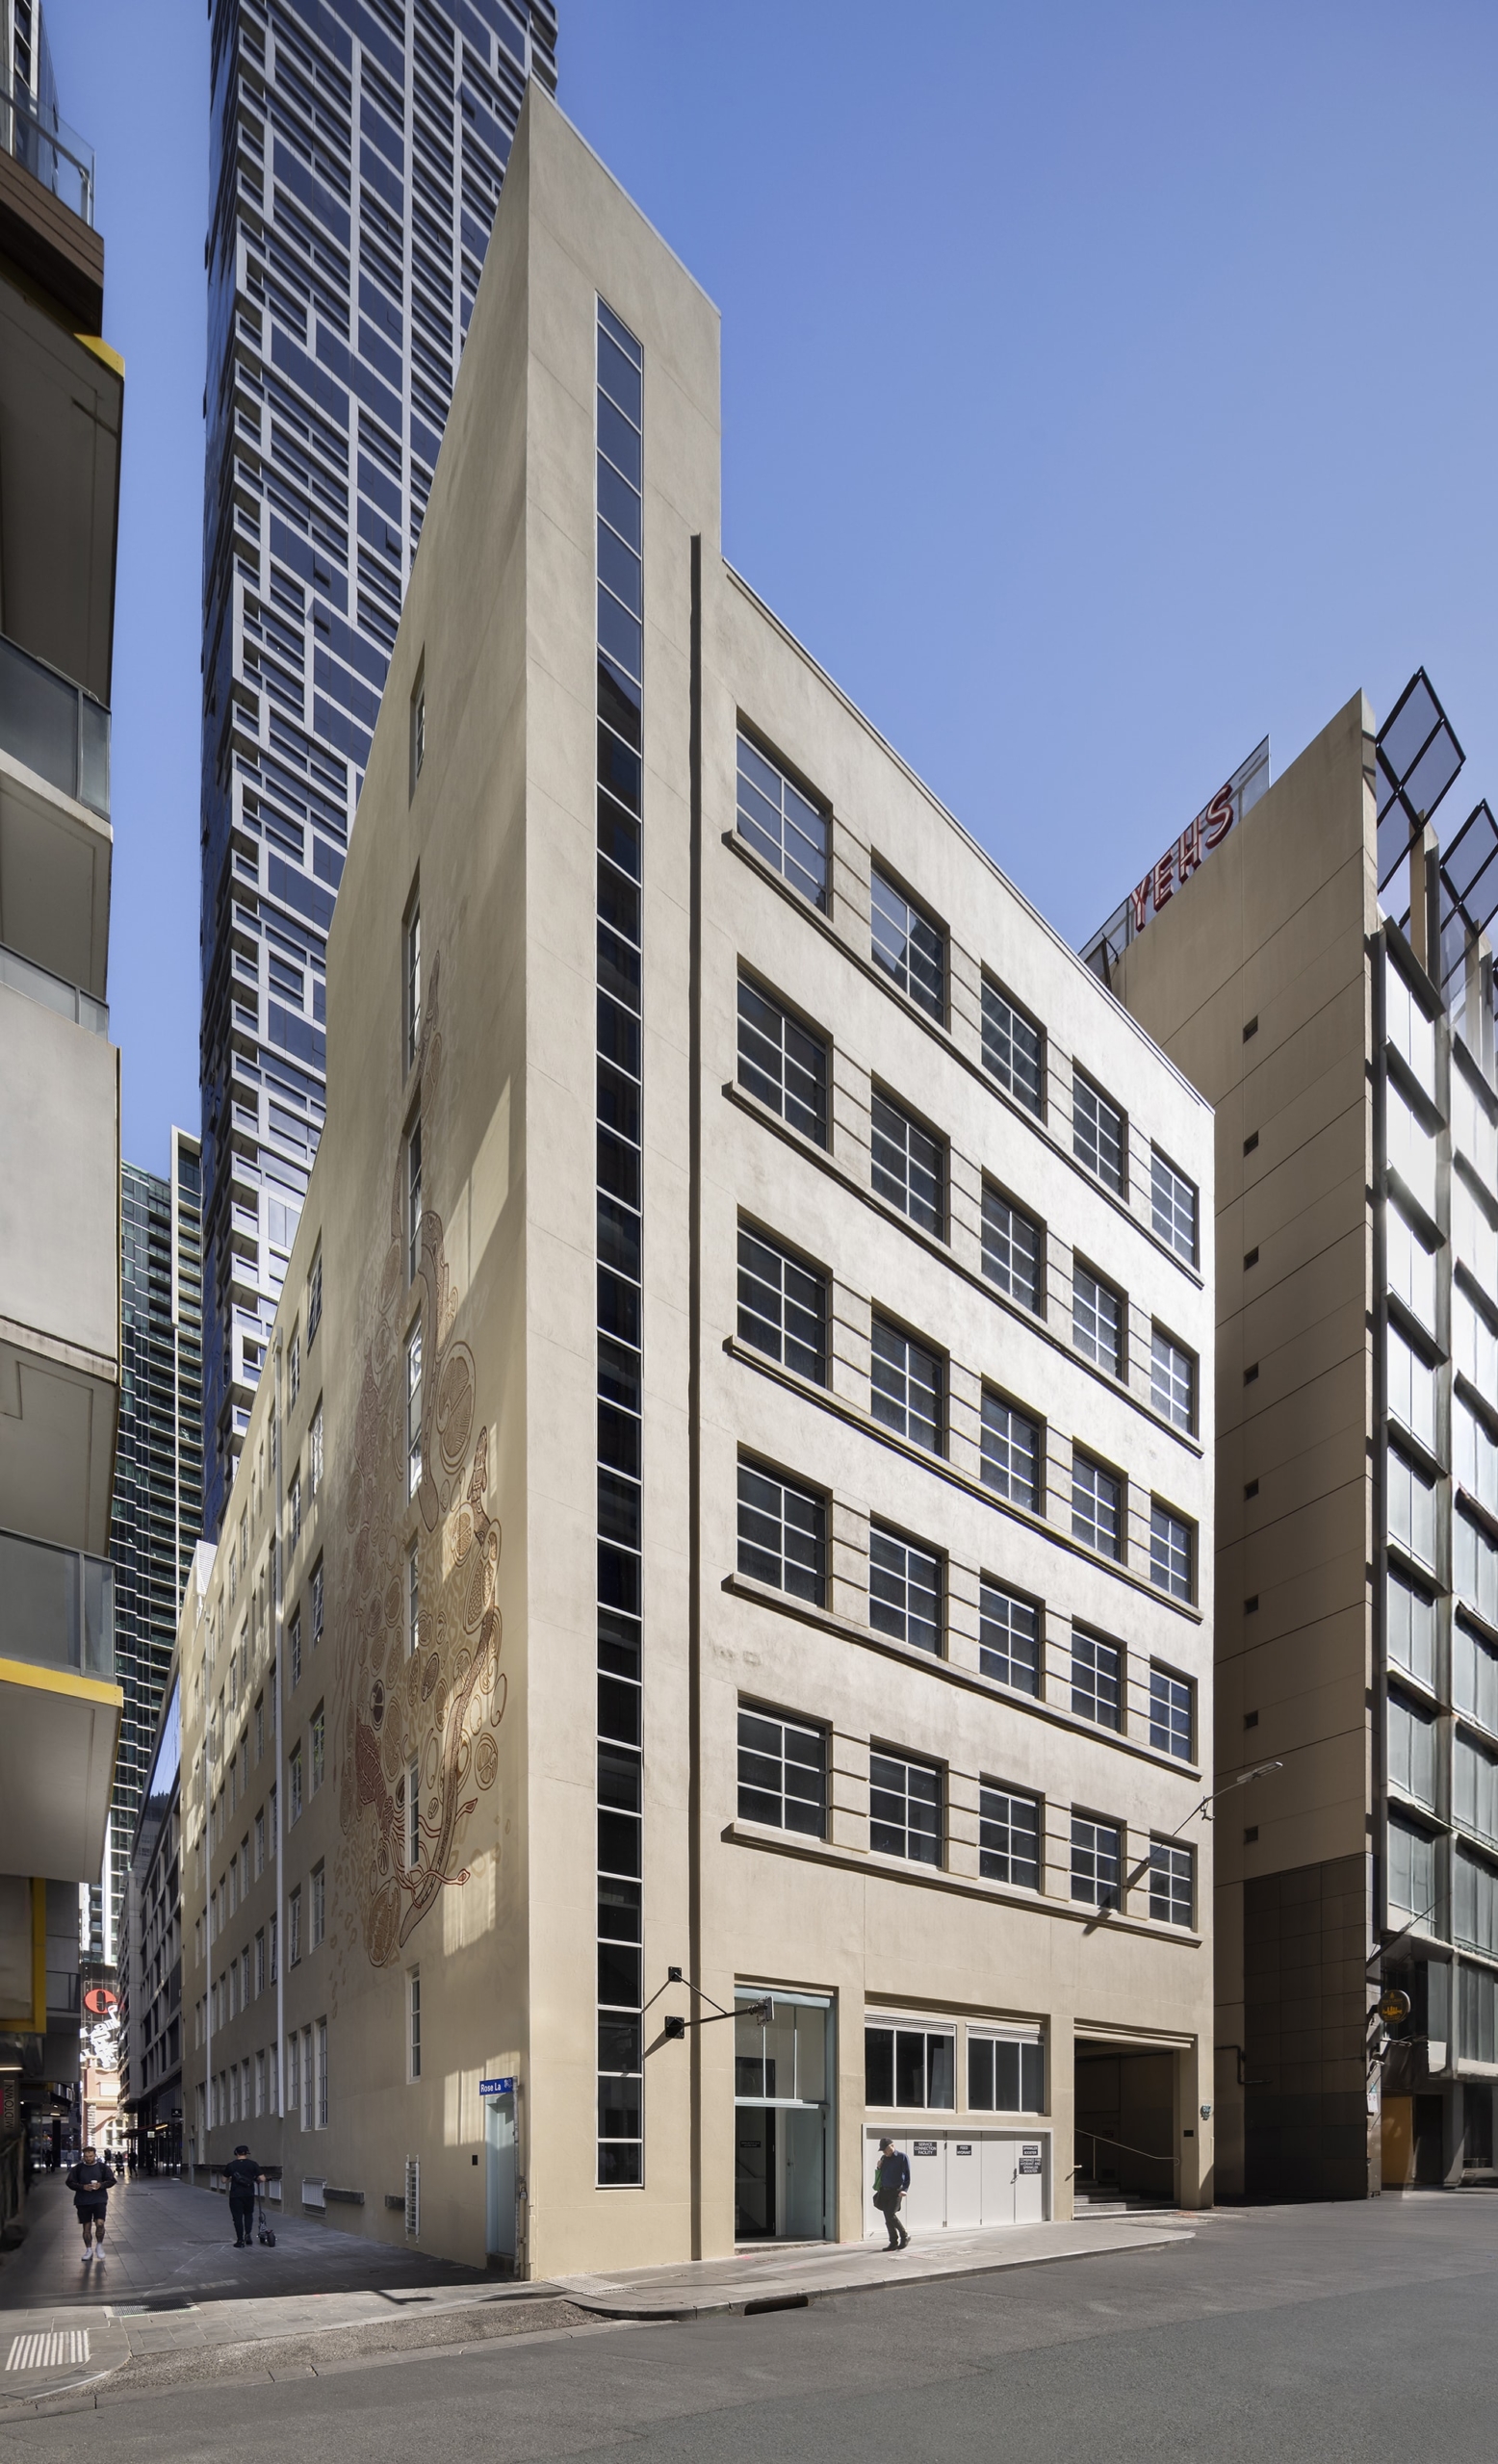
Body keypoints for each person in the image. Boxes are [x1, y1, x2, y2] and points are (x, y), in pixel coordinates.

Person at [65, 2145, 116, 2263]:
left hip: (99, 2199)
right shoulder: (78, 2169)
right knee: (86, 2227)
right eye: (86, 2156)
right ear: (83, 2156)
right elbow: (69, 2182)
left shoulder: (102, 2167)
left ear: (95, 2155)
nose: (88, 2158)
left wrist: (100, 2185)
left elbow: (112, 2180)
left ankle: (99, 2245)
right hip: (83, 2201)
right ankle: (88, 2250)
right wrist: (82, 2187)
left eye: (91, 2156)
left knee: (100, 2223)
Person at [872, 2136, 911, 2249]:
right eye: (882, 2150)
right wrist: (879, 2167)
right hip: (884, 2191)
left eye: (885, 2149)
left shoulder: (902, 2157)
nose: (884, 2152)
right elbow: (880, 2175)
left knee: (891, 2215)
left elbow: (907, 2175)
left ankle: (905, 2235)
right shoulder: (883, 2158)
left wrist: (905, 2189)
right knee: (887, 2219)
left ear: (892, 2146)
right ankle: (893, 2242)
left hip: (896, 2191)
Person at [225, 2144, 266, 2246]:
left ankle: (240, 2240)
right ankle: (248, 2234)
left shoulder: (231, 2165)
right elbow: (262, 2178)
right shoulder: (253, 2164)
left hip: (235, 2195)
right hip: (249, 2194)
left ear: (236, 2153)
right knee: (248, 2214)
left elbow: (223, 2180)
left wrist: (231, 2178)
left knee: (237, 2217)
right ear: (247, 2153)